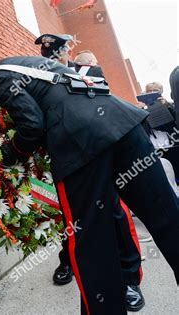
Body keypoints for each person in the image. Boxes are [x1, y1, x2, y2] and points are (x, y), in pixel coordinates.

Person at [0, 43, 179, 315]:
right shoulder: (27, 62)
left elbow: (32, 125)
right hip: (124, 126)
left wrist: (10, 153)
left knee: (93, 242)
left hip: (82, 147)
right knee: (167, 216)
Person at [34, 36, 145, 311]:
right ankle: (67, 262)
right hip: (66, 162)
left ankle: (129, 278)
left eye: (57, 53)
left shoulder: (88, 72)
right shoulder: (37, 77)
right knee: (70, 220)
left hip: (99, 156)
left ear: (66, 52)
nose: (53, 58)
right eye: (49, 54)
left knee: (116, 216)